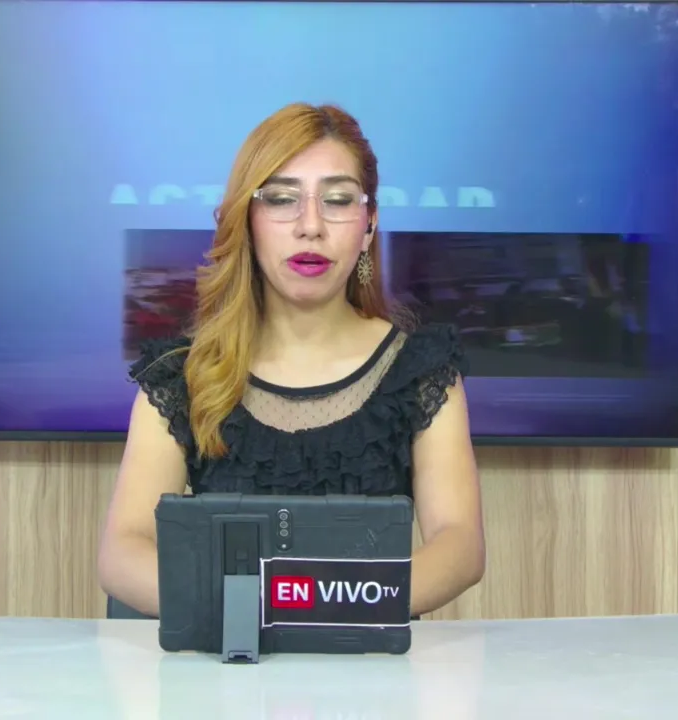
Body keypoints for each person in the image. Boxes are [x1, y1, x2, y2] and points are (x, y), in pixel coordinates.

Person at [97, 103, 485, 618]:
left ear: (369, 226)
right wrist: (255, 611)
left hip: (367, 656)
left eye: (338, 200)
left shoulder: (421, 369)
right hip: (225, 656)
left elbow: (459, 545)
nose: (311, 226)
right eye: (282, 199)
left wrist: (324, 607)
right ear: (247, 221)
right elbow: (122, 552)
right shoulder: (181, 374)